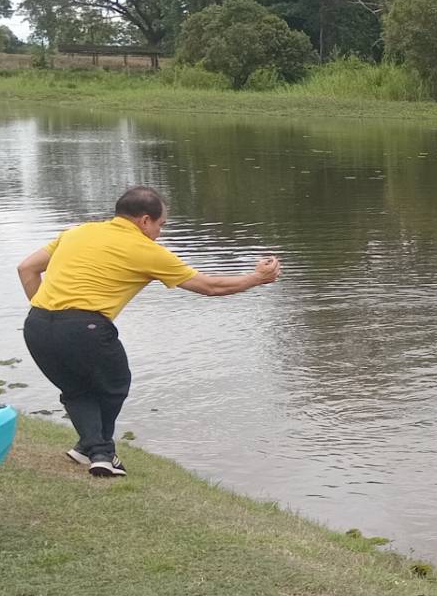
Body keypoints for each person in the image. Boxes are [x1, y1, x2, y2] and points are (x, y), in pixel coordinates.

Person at [16, 186, 282, 477]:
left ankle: (89, 449)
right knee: (115, 385)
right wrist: (257, 278)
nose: (159, 233)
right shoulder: (145, 250)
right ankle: (102, 453)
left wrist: (51, 316)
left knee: (77, 389)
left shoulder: (77, 232)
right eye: (160, 225)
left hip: (36, 325)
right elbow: (210, 287)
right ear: (144, 220)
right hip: (85, 327)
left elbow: (26, 268)